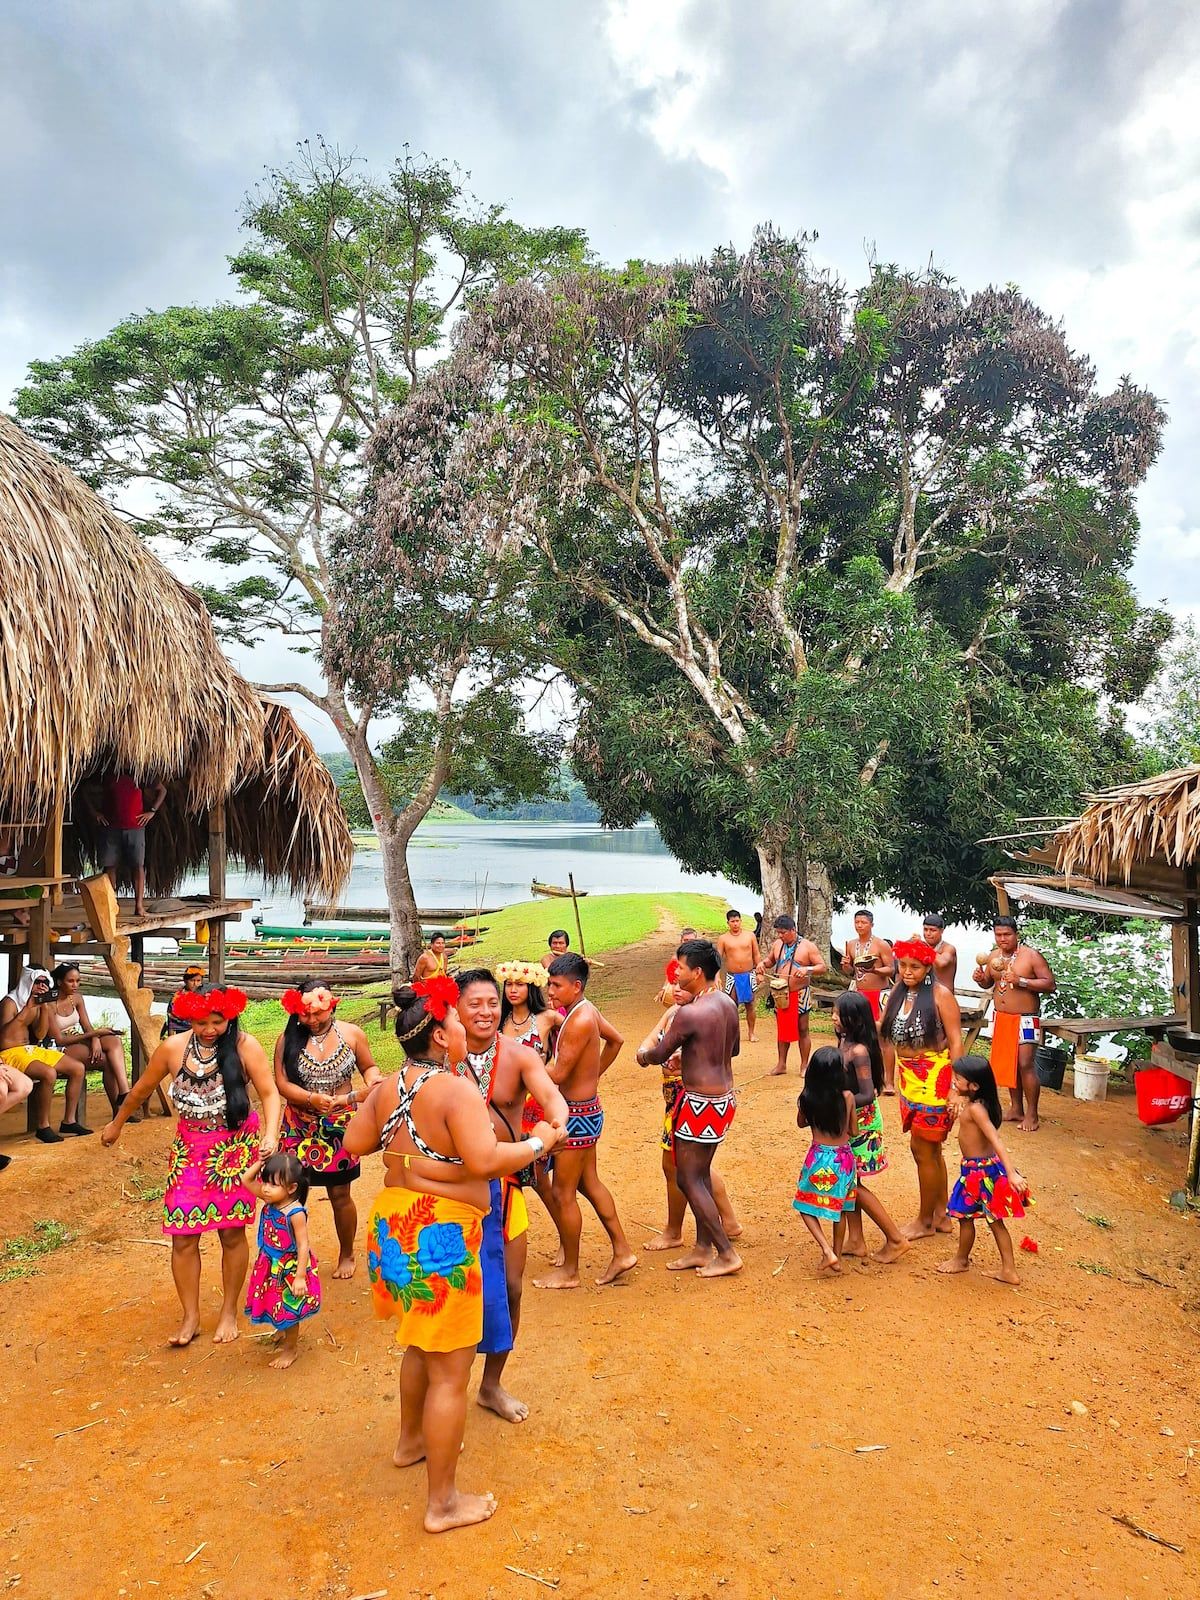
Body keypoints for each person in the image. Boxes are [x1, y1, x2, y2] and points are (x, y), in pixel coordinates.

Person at [344, 975, 563, 1533]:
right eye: (458, 1022)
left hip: (395, 1226)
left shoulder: (391, 1086)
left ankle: (409, 1441)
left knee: (420, 1344)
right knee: (450, 1373)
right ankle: (442, 1504)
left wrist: (421, 1166)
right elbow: (487, 1160)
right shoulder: (456, 1090)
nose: (467, 1028)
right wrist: (541, 1142)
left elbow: (353, 1144)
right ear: (441, 1037)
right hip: (439, 1238)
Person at [100, 985, 281, 1346]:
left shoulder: (245, 1046)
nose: (210, 1029)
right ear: (189, 1019)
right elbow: (141, 1089)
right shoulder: (172, 1049)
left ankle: (229, 1311)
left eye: (217, 1021)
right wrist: (117, 1122)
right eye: (201, 1022)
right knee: (182, 1236)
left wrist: (271, 1134)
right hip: (190, 1151)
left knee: (231, 1232)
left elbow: (269, 1093)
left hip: (234, 1151)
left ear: (229, 1017)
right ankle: (191, 1316)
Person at [454, 966, 569, 1420]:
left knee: (512, 1288)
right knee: (457, 1290)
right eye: (474, 1004)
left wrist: (555, 1122)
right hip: (453, 1191)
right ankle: (448, 1386)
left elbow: (551, 1094)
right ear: (455, 1010)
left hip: (505, 1188)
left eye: (492, 1003)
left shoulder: (519, 1056)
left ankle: (491, 1384)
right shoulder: (441, 1060)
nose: (485, 1012)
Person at [635, 940, 742, 1277]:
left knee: (687, 1177)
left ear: (697, 972)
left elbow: (657, 1054)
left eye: (680, 967)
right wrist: (697, 1054)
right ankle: (702, 1248)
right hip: (724, 1099)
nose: (676, 972)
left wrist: (643, 1055)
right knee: (701, 1176)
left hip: (699, 1103)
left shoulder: (690, 1012)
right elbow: (734, 1049)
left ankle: (725, 1253)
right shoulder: (725, 1002)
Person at [535, 953, 638, 1290]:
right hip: (587, 1107)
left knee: (563, 1193)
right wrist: (593, 1076)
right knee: (588, 1183)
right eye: (549, 984)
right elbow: (617, 1040)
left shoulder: (578, 1020)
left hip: (576, 1115)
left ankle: (570, 1271)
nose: (550, 991)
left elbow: (558, 1073)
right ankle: (622, 1251)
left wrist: (525, 1069)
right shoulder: (587, 1009)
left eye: (557, 986)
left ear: (576, 986)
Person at [275, 979, 382, 1280]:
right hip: (299, 1126)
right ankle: (292, 1256)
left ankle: (346, 1252)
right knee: (293, 1192)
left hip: (340, 1126)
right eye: (305, 1014)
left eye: (317, 1014)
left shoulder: (353, 1034)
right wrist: (310, 1098)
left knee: (340, 1193)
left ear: (331, 1005)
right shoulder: (287, 1040)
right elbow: (282, 1083)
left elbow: (369, 1067)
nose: (311, 1020)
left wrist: (373, 1079)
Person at [880, 940, 963, 1241]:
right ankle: (941, 1215)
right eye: (902, 965)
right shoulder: (896, 994)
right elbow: (884, 1034)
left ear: (928, 967)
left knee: (923, 1149)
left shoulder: (941, 995)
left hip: (935, 1079)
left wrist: (955, 1087)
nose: (907, 971)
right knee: (931, 1150)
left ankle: (925, 1221)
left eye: (914, 966)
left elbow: (955, 1042)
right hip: (909, 1079)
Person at [939, 1055, 1031, 1286]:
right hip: (979, 1170)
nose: (954, 1082)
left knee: (966, 1217)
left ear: (974, 1086)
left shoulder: (977, 1110)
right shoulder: (976, 1104)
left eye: (958, 1079)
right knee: (991, 1220)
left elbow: (996, 1140)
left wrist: (1011, 1173)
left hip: (979, 1174)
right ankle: (1006, 1269)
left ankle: (962, 1260)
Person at [831, 992, 908, 1264]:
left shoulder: (859, 1051)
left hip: (861, 1123)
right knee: (851, 1182)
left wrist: (839, 1099)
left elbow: (868, 1093)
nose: (833, 1018)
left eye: (838, 1015)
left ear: (853, 1019)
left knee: (853, 1183)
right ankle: (856, 1240)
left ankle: (895, 1238)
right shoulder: (845, 1043)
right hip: (848, 1120)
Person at [973, 916, 1056, 1132]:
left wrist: (1021, 981)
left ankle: (1032, 1114)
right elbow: (989, 983)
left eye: (1007, 935)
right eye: (998, 935)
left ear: (1016, 934)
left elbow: (1049, 984)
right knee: (1009, 1064)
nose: (1002, 939)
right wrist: (980, 979)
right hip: (1002, 1018)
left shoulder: (1031, 956)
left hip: (1026, 1018)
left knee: (1025, 1064)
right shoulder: (993, 957)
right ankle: (1016, 1108)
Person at [243, 1150, 321, 1367]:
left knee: (289, 1308)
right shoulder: (271, 1199)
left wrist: (300, 1276)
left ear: (292, 1188)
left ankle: (291, 1348)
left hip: (288, 1269)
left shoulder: (294, 1212)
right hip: (270, 1264)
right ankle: (282, 1328)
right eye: (265, 1182)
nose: (266, 1188)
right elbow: (245, 1180)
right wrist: (260, 1162)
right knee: (274, 1302)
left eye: (273, 1184)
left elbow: (303, 1244)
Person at [498, 959, 560, 1230]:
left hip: (535, 1105)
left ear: (531, 987)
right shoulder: (498, 1020)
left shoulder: (548, 1018)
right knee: (508, 1173)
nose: (513, 990)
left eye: (520, 985)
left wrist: (556, 1070)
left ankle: (565, 1234)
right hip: (506, 1105)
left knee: (539, 1178)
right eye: (509, 984)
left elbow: (574, 1038)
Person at [0, 967, 88, 1141]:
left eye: (45, 983)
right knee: (49, 1073)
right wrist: (27, 1009)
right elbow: (3, 1038)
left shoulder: (39, 1003)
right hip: (9, 1051)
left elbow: (40, 1034)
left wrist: (45, 1008)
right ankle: (43, 1126)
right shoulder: (10, 1002)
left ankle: (69, 1121)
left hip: (31, 1049)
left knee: (77, 1068)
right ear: (28, 982)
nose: (41, 986)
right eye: (37, 982)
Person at [792, 1046, 857, 1273]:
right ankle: (836, 1254)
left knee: (805, 1204)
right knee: (841, 1207)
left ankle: (826, 1250)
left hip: (818, 1157)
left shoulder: (808, 1098)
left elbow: (801, 1123)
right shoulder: (848, 1097)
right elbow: (854, 1130)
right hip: (844, 1159)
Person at [47, 962, 130, 1116]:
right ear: (59, 982)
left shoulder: (76, 998)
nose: (75, 985)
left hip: (76, 1040)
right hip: (57, 1048)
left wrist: (96, 1039)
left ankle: (124, 1092)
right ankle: (119, 1111)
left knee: (114, 1041)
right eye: (70, 981)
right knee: (108, 1061)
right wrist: (94, 1035)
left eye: (78, 981)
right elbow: (59, 1040)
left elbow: (87, 1026)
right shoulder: (49, 1004)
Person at [88, 772, 167, 918]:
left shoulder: (139, 772)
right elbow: (84, 789)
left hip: (135, 827)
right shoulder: (108, 772)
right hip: (111, 828)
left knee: (137, 865)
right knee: (110, 866)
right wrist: (95, 813)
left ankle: (139, 906)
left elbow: (162, 790)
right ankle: (112, 905)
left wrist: (152, 812)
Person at [758, 915, 826, 1075]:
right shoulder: (777, 944)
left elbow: (822, 967)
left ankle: (804, 1065)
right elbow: (770, 960)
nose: (780, 936)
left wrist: (807, 969)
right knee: (782, 1029)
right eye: (778, 933)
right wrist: (762, 964)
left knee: (803, 1029)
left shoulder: (808, 947)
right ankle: (781, 1064)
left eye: (783, 932)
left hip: (800, 993)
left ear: (793, 930)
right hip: (780, 993)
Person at [840, 909, 893, 1024]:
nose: (859, 925)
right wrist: (845, 965)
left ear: (871, 925)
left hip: (879, 993)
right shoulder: (851, 944)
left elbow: (891, 970)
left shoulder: (881, 944)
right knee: (858, 1027)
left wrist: (875, 970)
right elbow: (849, 972)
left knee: (878, 1028)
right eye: (856, 922)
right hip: (859, 992)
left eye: (863, 922)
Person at [717, 909, 761, 1043]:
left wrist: (760, 972)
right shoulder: (723, 938)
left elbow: (756, 955)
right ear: (728, 923)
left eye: (737, 921)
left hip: (749, 974)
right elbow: (717, 959)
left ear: (740, 921)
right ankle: (732, 1034)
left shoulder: (750, 936)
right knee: (731, 1006)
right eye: (732, 921)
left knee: (750, 1005)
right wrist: (716, 976)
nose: (735, 924)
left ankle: (751, 1032)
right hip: (732, 976)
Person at [656, 927, 697, 1005]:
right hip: (682, 992)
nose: (688, 943)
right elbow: (670, 975)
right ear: (681, 941)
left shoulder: (702, 955)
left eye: (691, 940)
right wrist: (664, 989)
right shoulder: (676, 958)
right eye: (686, 940)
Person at [163, 965, 206, 1036]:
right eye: (192, 980)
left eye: (198, 981)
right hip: (182, 1034)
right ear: (185, 980)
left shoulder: (206, 996)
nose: (195, 984)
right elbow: (172, 1022)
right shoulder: (177, 998)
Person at [921, 915, 958, 990]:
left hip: (944, 997)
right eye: (925, 929)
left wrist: (924, 948)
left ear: (941, 931)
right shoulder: (922, 947)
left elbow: (942, 963)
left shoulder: (948, 948)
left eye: (932, 930)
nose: (928, 933)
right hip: (924, 996)